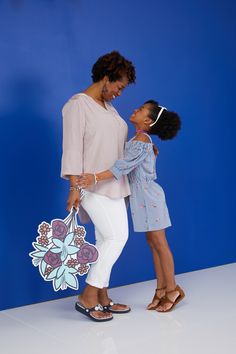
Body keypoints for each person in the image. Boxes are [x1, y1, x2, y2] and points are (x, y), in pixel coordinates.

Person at [77, 100, 185, 313]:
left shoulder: (141, 140)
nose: (135, 109)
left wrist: (95, 177)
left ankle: (172, 289)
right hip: (142, 198)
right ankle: (161, 289)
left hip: (149, 198)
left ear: (148, 121)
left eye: (141, 109)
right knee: (153, 243)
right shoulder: (140, 140)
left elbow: (121, 167)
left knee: (160, 244)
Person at [61, 51, 136, 322]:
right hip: (89, 185)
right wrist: (73, 187)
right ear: (106, 77)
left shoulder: (109, 108)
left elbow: (114, 147)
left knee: (106, 240)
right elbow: (72, 147)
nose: (119, 93)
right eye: (119, 86)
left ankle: (103, 297)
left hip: (114, 184)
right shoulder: (78, 105)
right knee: (118, 237)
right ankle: (88, 295)